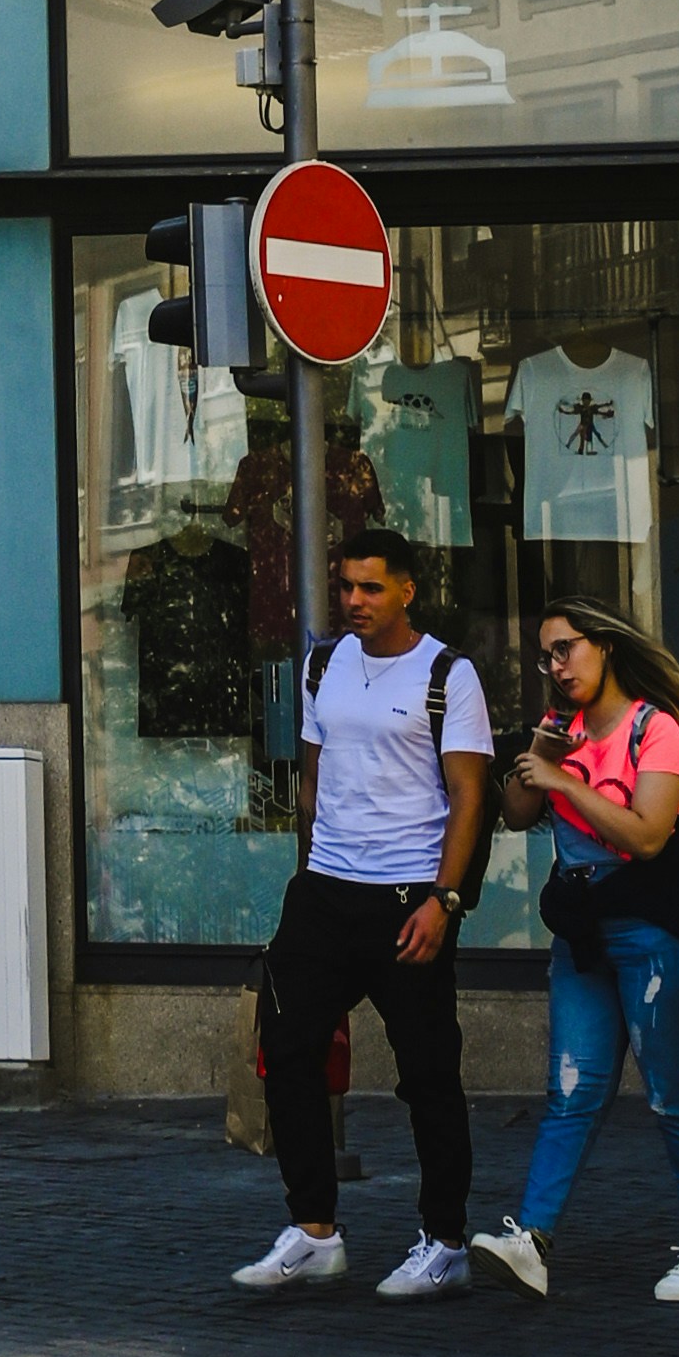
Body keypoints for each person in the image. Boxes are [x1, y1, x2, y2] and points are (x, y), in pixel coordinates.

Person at [236, 529, 494, 1300]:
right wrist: (308, 871)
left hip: (407, 895)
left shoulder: (446, 674)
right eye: (345, 586)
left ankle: (443, 1241)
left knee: (426, 1076)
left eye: (370, 587)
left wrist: (443, 902)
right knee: (283, 1054)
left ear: (405, 590)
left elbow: (469, 798)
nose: (353, 600)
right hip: (323, 892)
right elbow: (312, 783)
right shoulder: (324, 663)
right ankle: (314, 1230)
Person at [472, 596, 679, 1303]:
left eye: (565, 649)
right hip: (584, 934)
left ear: (606, 647)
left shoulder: (656, 730)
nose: (554, 667)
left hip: (659, 934)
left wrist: (563, 779)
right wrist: (540, 756)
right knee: (570, 1088)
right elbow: (515, 812)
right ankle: (530, 1240)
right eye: (546, 656)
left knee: (671, 1092)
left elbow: (648, 835)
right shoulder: (558, 731)